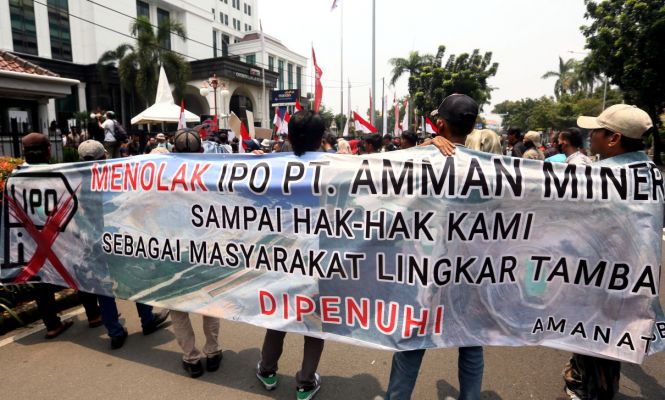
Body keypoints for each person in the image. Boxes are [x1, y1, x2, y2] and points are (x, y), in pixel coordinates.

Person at [385, 94, 484, 400]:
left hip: (425, 268)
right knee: (471, 340)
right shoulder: (490, 168)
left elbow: (377, 179)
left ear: (440, 123)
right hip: (471, 269)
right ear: (471, 126)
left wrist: (424, 147)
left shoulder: (418, 161)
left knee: (413, 339)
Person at [561, 104, 653, 400]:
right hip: (629, 281)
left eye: (597, 130)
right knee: (604, 349)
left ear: (613, 139)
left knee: (597, 350)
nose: (591, 135)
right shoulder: (653, 176)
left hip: (597, 284)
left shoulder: (597, 179)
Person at [256, 110, 326, 400]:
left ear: (288, 135)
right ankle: (306, 382)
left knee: (279, 315)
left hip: (281, 256)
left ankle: (268, 370)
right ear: (322, 138)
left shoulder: (270, 168)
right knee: (316, 322)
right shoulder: (336, 167)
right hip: (321, 259)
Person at [77, 139, 170, 349]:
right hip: (118, 238)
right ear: (105, 157)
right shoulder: (116, 179)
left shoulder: (76, 182)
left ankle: (115, 332)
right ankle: (147, 319)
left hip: (93, 241)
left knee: (104, 289)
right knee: (138, 278)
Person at [18, 134, 103, 338]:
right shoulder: (58, 174)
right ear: (48, 150)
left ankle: (52, 324)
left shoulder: (16, 176)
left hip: (34, 240)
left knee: (42, 282)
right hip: (63, 237)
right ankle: (93, 315)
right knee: (79, 271)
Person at [165, 129, 222, 378]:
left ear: (173, 151)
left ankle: (191, 358)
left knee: (178, 308)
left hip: (173, 251)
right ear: (201, 151)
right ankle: (212, 351)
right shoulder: (214, 174)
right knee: (210, 303)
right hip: (206, 250)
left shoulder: (161, 175)